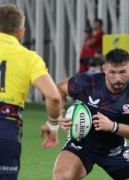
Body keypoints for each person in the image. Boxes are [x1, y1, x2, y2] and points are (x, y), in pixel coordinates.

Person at [53, 48, 129, 180]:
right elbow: (58, 89)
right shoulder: (89, 82)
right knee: (61, 178)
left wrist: (113, 126)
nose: (117, 78)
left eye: (122, 72)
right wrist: (58, 114)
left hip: (115, 151)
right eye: (112, 72)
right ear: (104, 69)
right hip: (81, 145)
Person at [0, 4, 63, 179]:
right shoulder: (29, 58)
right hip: (6, 130)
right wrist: (53, 124)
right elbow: (53, 97)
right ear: (21, 32)